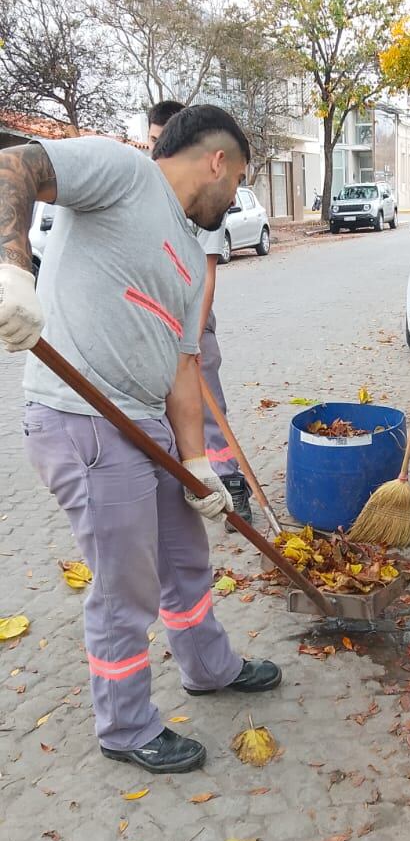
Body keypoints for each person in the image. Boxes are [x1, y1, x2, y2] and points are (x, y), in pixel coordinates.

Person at [0, 105, 281, 775]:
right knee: (125, 586)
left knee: (185, 557)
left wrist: (197, 465)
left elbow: (184, 369)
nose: (238, 195)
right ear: (217, 160)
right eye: (239, 178)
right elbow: (10, 165)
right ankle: (125, 726)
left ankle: (209, 667)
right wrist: (13, 268)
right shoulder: (123, 172)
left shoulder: (190, 252)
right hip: (83, 420)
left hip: (147, 424)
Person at [148, 100, 253, 527]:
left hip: (192, 326)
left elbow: (204, 279)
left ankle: (230, 479)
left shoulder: (202, 211)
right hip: (155, 336)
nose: (154, 152)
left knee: (210, 413)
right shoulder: (140, 185)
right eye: (151, 141)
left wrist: (190, 340)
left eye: (160, 141)